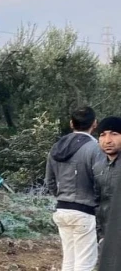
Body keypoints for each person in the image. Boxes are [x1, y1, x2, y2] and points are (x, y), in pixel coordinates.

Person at [45, 106, 106, 271]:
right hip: (85, 211)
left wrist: (61, 195)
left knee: (69, 261)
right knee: (84, 264)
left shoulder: (56, 146)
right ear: (94, 124)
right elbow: (101, 182)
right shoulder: (95, 148)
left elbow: (49, 181)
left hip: (62, 210)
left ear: (71, 123)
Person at [93, 116, 121, 246]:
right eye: (103, 135)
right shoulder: (98, 167)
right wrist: (100, 235)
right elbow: (97, 202)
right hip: (107, 235)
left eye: (114, 134)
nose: (108, 140)